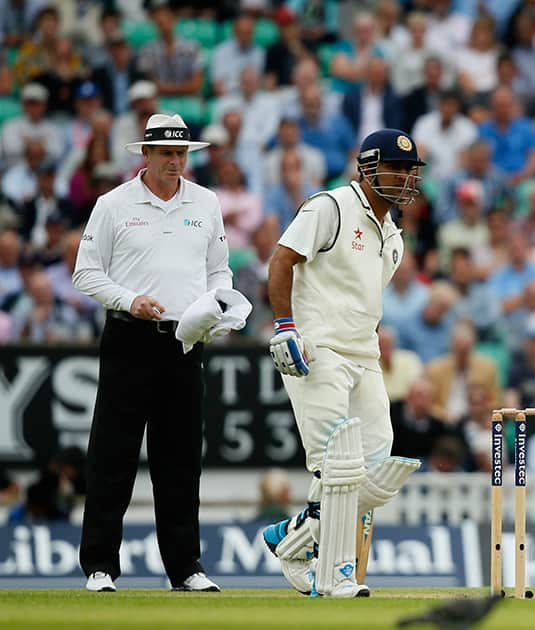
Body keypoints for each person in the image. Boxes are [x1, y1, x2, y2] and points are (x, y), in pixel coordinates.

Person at [261, 129, 425, 598]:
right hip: (319, 349)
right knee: (339, 465)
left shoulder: (393, 235)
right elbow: (281, 260)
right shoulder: (330, 207)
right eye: (396, 167)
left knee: (378, 468)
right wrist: (286, 326)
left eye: (410, 170)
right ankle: (334, 575)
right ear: (368, 167)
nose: (405, 177)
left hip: (364, 353)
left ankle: (294, 535)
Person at [73, 114, 230, 593]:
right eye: (166, 154)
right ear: (146, 154)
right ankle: (100, 566)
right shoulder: (114, 204)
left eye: (181, 154)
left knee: (180, 459)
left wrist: (219, 306)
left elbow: (219, 271)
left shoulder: (206, 202)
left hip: (185, 340)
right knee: (112, 455)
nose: (175, 162)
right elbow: (86, 272)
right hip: (129, 338)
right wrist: (129, 300)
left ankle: (185, 568)